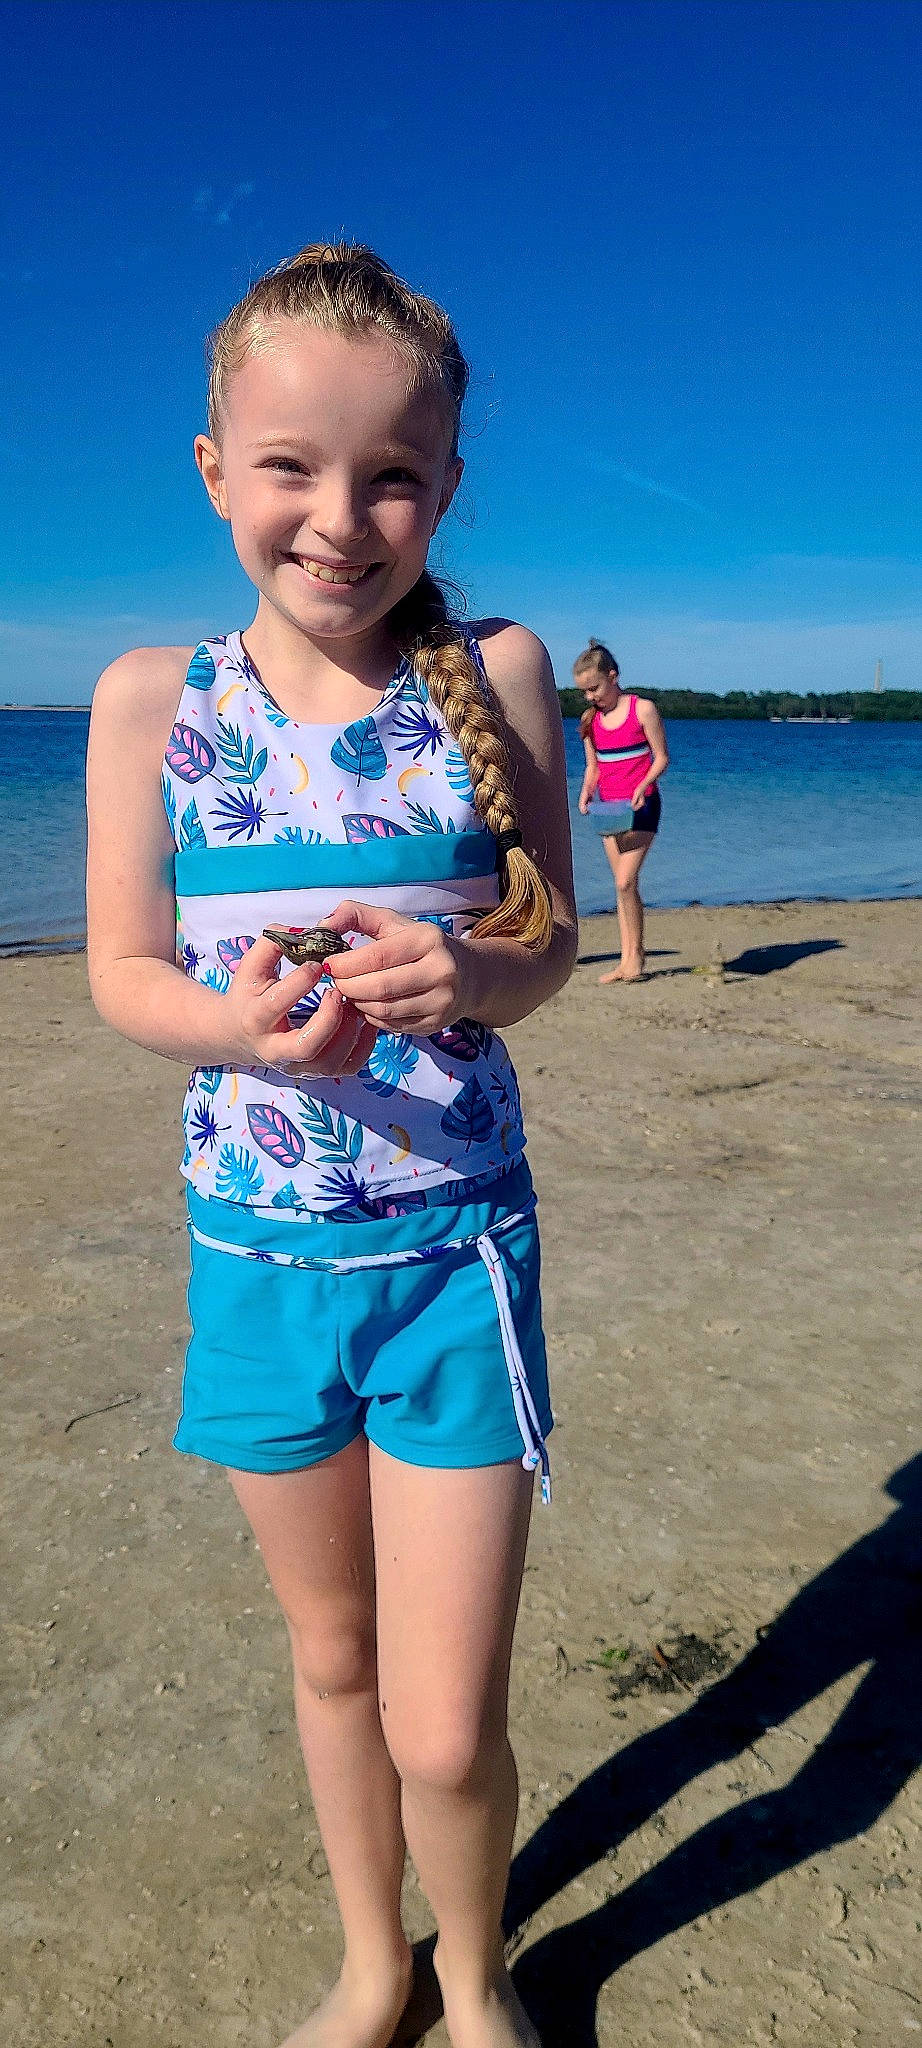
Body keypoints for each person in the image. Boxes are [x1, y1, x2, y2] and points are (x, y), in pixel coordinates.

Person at [85, 242, 578, 2048]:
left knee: (445, 1718)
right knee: (335, 1660)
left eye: (391, 473)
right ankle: (371, 1964)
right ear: (215, 469)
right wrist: (229, 1023)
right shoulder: (154, 699)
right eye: (290, 466)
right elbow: (127, 971)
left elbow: (550, 945)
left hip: (454, 1260)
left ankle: (473, 1973)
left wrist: (471, 965)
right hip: (259, 1259)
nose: (340, 516)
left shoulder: (502, 664)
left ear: (447, 483)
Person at [573, 638, 669, 984]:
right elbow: (593, 768)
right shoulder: (590, 721)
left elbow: (661, 757)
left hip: (641, 807)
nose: (590, 697)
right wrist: (585, 794)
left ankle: (635, 960)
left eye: (594, 688)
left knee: (624, 880)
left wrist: (643, 785)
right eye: (584, 691)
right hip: (607, 810)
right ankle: (630, 959)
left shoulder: (642, 709)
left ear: (613, 676)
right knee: (624, 888)